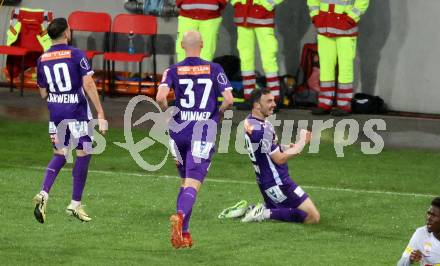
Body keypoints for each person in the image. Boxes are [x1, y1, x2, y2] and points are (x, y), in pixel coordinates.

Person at [156, 30, 234, 248]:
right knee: (194, 184)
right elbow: (229, 99)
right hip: (202, 131)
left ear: (182, 45)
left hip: (178, 132)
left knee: (185, 182)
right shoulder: (215, 69)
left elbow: (161, 97)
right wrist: (216, 115)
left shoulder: (172, 69)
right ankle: (180, 217)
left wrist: (168, 114)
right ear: (202, 44)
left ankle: (185, 234)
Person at [33, 18, 107, 223]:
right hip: (77, 114)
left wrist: (58, 98)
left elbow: (42, 92)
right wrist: (100, 112)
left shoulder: (43, 58)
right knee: (84, 153)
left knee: (60, 153)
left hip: (56, 114)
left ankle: (44, 192)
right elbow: (89, 84)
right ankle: (75, 204)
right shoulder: (75, 54)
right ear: (66, 33)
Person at [240, 88, 320, 224]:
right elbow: (279, 159)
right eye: (269, 101)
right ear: (257, 105)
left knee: (286, 209)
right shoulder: (263, 129)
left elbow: (265, 148)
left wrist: (284, 147)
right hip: (278, 182)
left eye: (273, 100)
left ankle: (255, 209)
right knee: (312, 217)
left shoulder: (250, 121)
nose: (274, 104)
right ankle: (264, 213)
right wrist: (302, 142)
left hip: (265, 181)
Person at [307, 0, 369, 116]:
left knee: (345, 68)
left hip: (346, 31)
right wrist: (315, 16)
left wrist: (351, 18)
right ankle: (324, 103)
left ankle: (344, 105)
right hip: (324, 29)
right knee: (325, 67)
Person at [230, 0, 283, 102]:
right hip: (243, 17)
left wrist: (267, 4)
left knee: (268, 58)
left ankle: (274, 97)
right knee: (245, 59)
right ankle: (249, 96)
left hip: (263, 17)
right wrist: (237, 3)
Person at [397, 197, 440, 265]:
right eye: (428, 213)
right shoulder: (421, 234)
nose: (429, 218)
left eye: (433, 216)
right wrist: (410, 258)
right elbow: (400, 264)